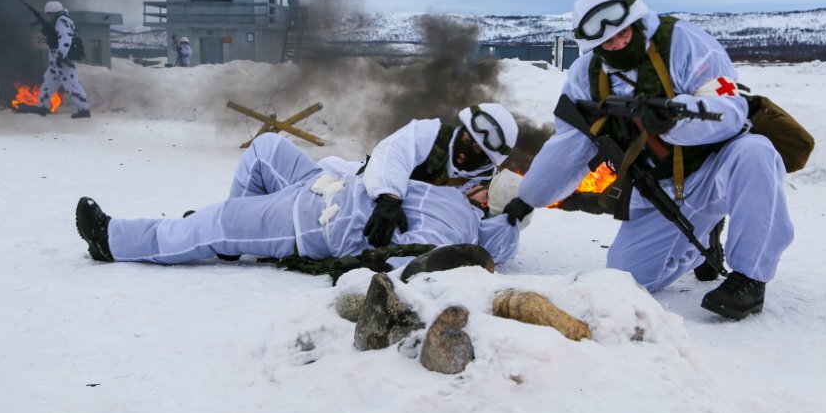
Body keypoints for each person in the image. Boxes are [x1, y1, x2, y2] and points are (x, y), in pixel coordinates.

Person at [502, 0, 793, 321]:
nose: (618, 44)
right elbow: (570, 143)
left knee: (756, 151)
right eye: (606, 42)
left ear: (636, 23)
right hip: (662, 190)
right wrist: (531, 195)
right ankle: (703, 243)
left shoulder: (684, 43)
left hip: (718, 170)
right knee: (626, 279)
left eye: (622, 33)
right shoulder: (587, 78)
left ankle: (750, 278)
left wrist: (675, 117)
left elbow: (730, 109)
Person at [75, 132, 529, 267]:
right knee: (267, 147)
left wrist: (340, 253)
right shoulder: (459, 205)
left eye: (489, 189)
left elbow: (401, 268)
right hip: (326, 185)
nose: (478, 183)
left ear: (488, 205)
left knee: (213, 223)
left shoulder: (460, 234)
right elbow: (392, 156)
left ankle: (112, 240)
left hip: (313, 220)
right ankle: (236, 237)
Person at [360, 103, 519, 248]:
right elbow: (392, 153)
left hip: (419, 229)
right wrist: (389, 197)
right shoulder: (429, 133)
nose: (464, 152)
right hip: (376, 199)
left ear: (487, 159)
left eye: (476, 150)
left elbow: (471, 228)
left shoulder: (487, 186)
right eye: (465, 139)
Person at [37, 0, 92, 118]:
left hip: (62, 60)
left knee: (71, 84)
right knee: (48, 83)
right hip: (56, 60)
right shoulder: (59, 21)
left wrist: (61, 56)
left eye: (50, 13)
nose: (49, 16)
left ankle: (84, 110)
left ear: (54, 12)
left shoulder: (62, 21)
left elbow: (65, 40)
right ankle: (42, 107)